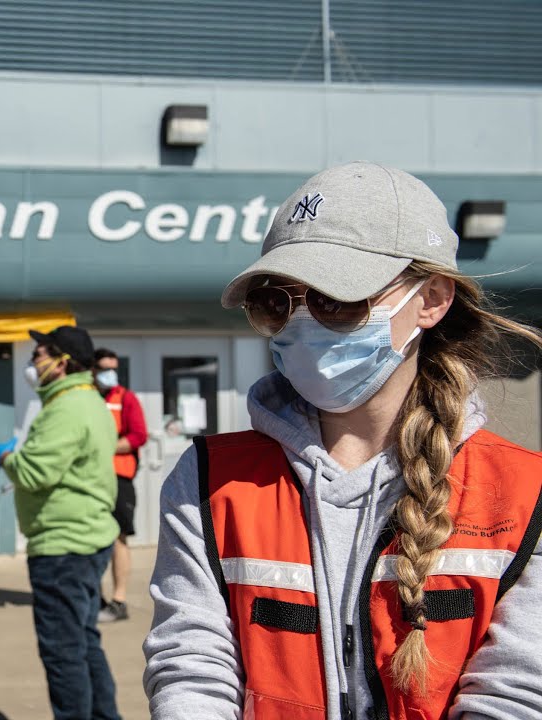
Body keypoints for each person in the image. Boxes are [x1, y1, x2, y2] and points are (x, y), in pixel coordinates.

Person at [144, 162, 542, 720]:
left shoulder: (525, 493)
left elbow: (515, 695)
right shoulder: (209, 479)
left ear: (431, 299)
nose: (303, 324)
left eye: (336, 299)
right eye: (276, 303)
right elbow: (192, 670)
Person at [0, 326, 122, 720]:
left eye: (38, 354)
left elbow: (33, 473)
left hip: (63, 548)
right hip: (88, 540)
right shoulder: (89, 400)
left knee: (64, 652)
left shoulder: (66, 408)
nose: (33, 362)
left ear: (62, 362)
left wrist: (6, 458)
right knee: (84, 641)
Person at [93, 348, 147, 622]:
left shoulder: (126, 398)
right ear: (92, 370)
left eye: (114, 368)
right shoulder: (87, 398)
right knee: (92, 538)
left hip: (119, 478)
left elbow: (139, 435)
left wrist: (106, 447)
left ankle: (119, 600)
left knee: (118, 537)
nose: (110, 373)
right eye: (104, 368)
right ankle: (94, 598)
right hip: (91, 478)